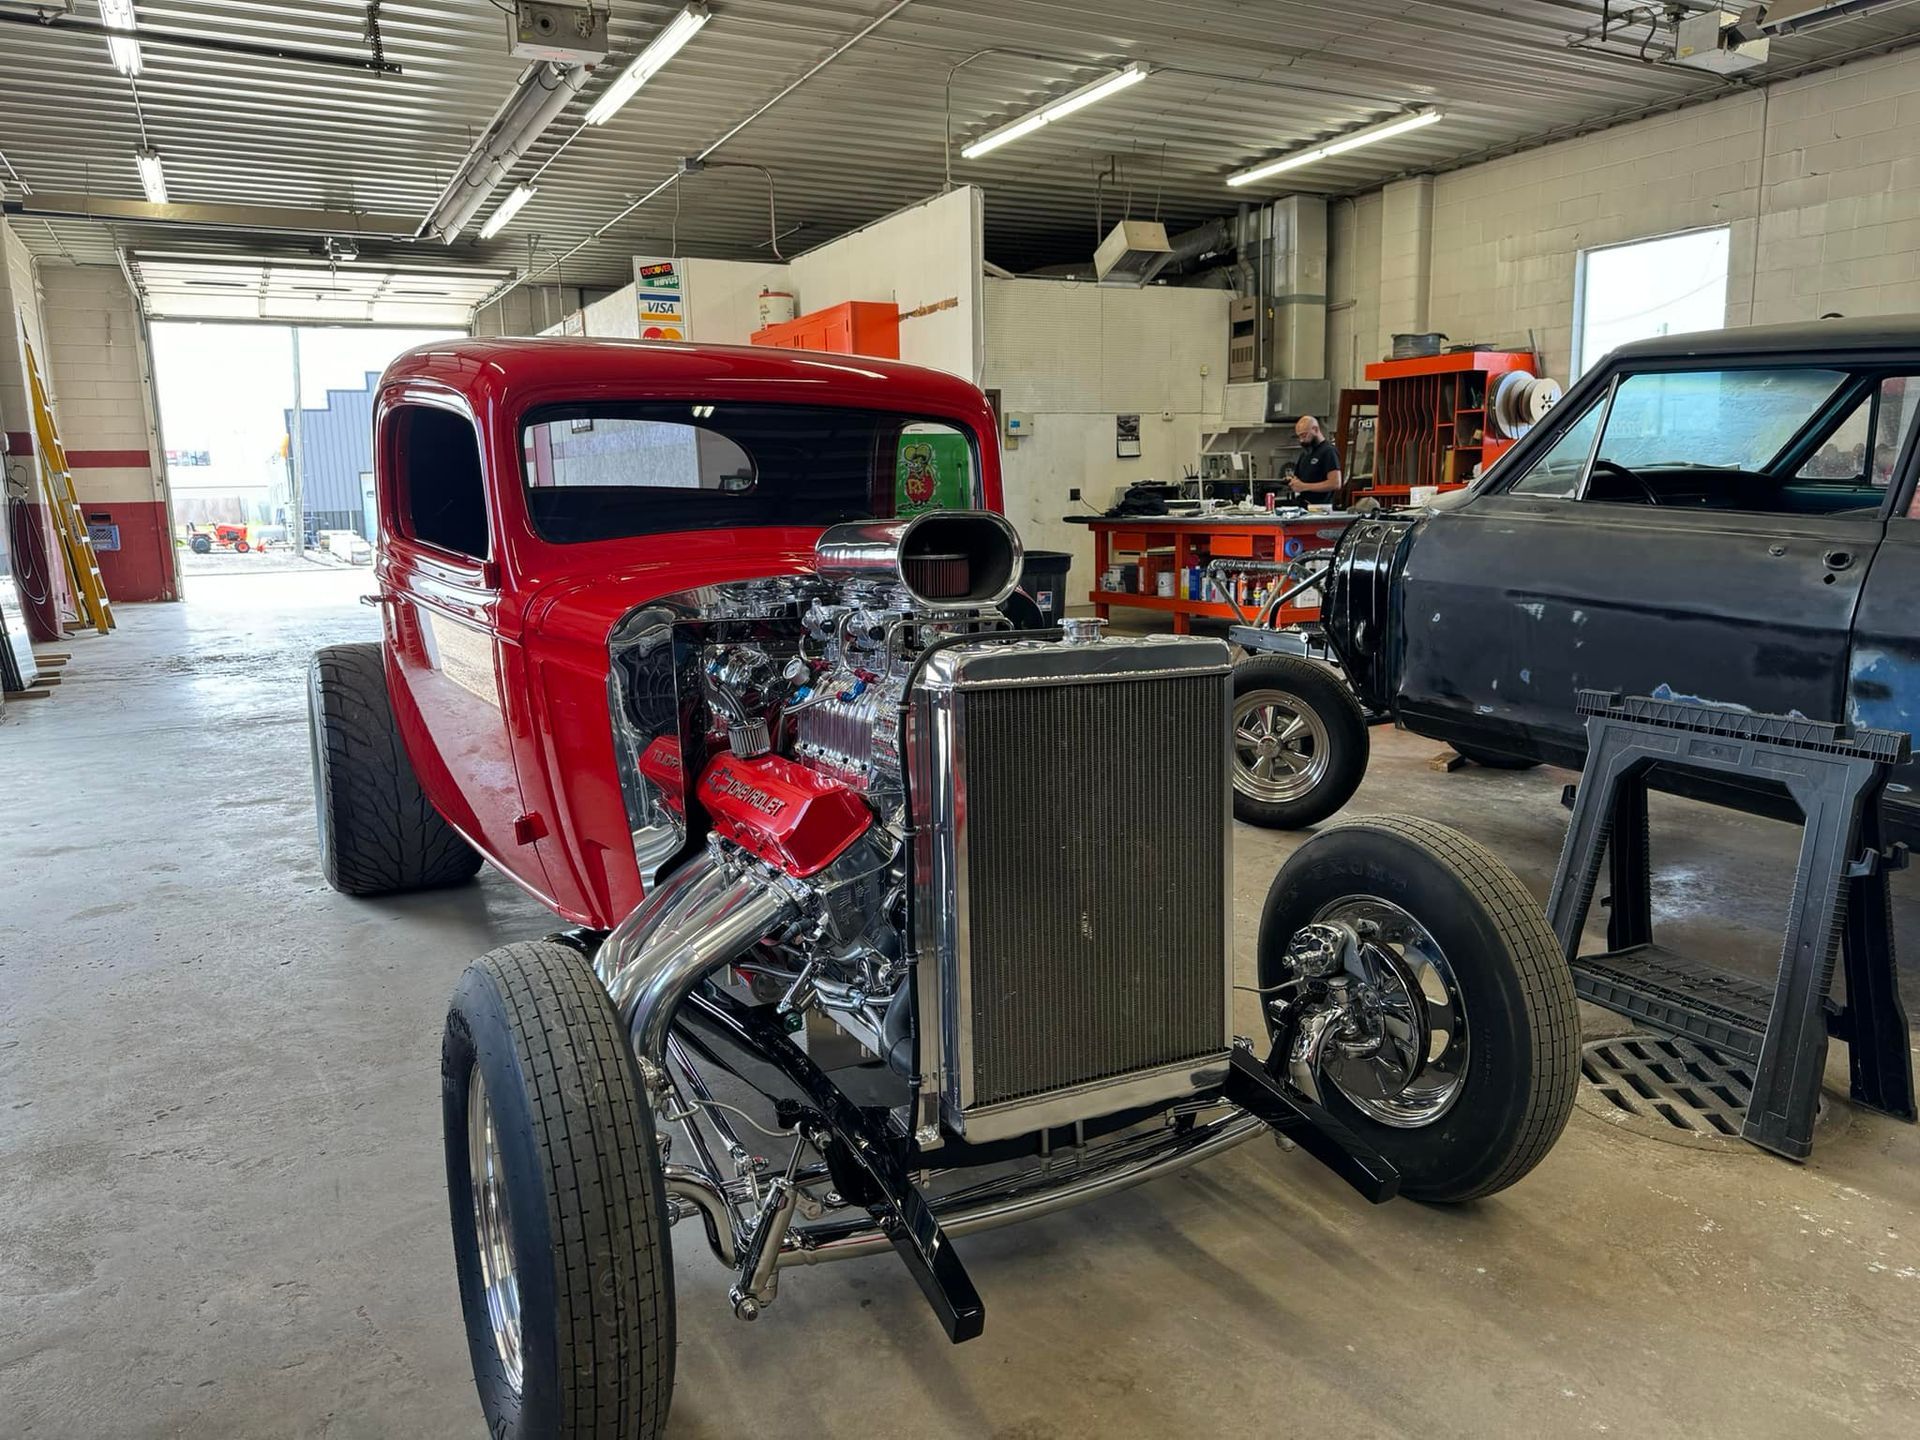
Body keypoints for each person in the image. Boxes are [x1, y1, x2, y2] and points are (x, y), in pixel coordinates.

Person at [1285, 415, 1343, 501]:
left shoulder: (1328, 451)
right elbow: (1299, 479)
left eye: (1304, 435)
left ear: (1315, 430)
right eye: (1299, 436)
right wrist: (1292, 481)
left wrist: (1304, 486)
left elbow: (1335, 483)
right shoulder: (1305, 454)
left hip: (1320, 506)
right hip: (1303, 503)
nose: (1301, 440)